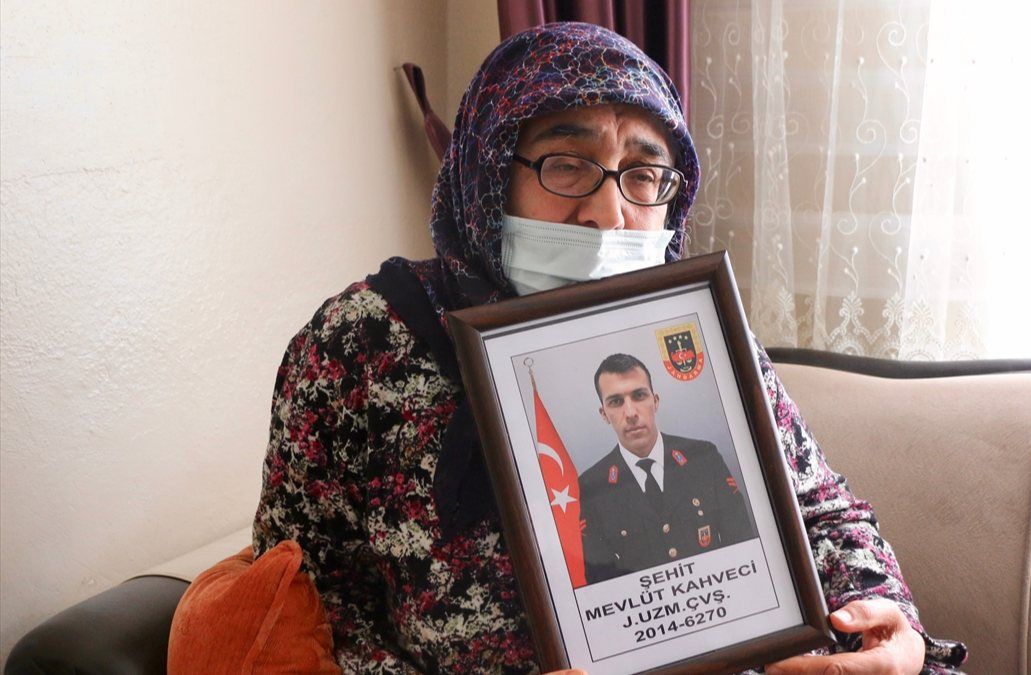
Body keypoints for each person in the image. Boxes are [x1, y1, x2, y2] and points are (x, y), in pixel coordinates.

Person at [253, 21, 967, 674]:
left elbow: (821, 512)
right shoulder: (363, 343)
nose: (609, 214)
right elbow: (303, 599)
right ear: (488, 172)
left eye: (644, 174)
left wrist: (888, 624)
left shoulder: (703, 328)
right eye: (568, 163)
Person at [580, 353, 754, 583]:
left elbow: (742, 544)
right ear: (604, 414)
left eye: (639, 396)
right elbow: (600, 579)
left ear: (655, 401)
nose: (630, 413)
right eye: (616, 402)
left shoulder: (703, 458)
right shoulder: (591, 487)